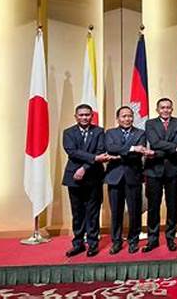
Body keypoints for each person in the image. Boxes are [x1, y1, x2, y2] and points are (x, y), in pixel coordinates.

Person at [62, 104, 111, 257]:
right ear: (76, 116)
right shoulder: (68, 132)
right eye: (81, 115)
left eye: (87, 115)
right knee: (77, 213)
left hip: (93, 176)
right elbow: (72, 152)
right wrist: (93, 158)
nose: (84, 117)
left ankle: (93, 244)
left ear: (92, 116)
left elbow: (100, 152)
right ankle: (78, 244)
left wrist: (84, 168)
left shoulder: (99, 131)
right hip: (73, 177)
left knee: (92, 212)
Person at [143, 98, 177, 253]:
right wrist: (175, 147)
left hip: (173, 169)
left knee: (172, 205)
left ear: (172, 109)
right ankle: (152, 239)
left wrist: (160, 150)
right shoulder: (150, 123)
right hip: (153, 169)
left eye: (168, 107)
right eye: (162, 107)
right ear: (157, 110)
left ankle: (170, 238)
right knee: (153, 206)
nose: (165, 110)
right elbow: (154, 142)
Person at [105, 106, 148, 254]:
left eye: (129, 116)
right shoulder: (110, 133)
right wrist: (132, 149)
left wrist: (121, 153)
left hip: (133, 176)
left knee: (135, 211)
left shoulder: (140, 133)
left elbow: (138, 154)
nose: (127, 119)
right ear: (118, 118)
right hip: (114, 177)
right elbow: (110, 148)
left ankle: (133, 240)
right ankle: (116, 241)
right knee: (116, 212)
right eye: (123, 116)